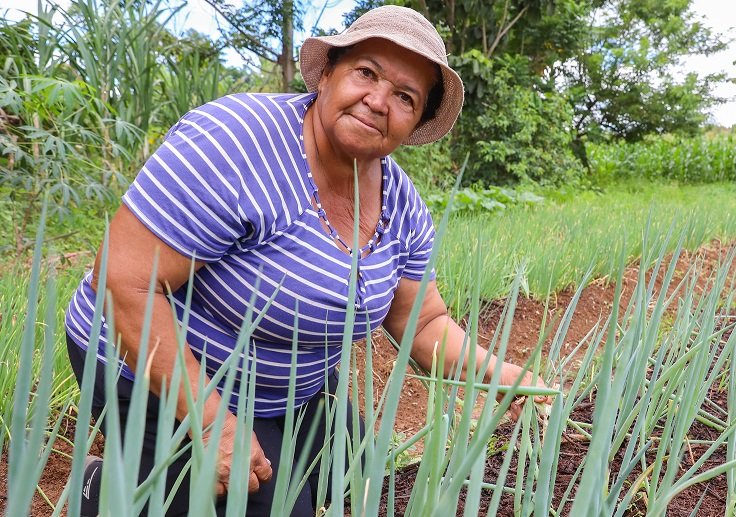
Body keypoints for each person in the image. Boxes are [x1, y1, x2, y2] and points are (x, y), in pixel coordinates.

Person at [63, 6, 548, 516]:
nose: (378, 100)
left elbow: (422, 322)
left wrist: (502, 375)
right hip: (146, 360)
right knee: (270, 506)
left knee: (362, 470)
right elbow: (125, 280)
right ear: (328, 73)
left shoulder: (403, 206)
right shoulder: (238, 142)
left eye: (405, 96)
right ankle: (103, 494)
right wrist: (212, 424)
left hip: (279, 384)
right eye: (367, 72)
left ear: (416, 121)